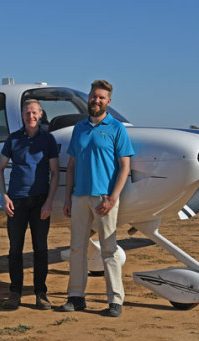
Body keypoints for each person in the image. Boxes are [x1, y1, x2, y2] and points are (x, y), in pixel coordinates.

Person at [60, 80, 134, 317]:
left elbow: (125, 167)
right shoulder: (79, 128)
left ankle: (115, 300)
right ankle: (76, 296)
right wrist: (69, 197)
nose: (96, 100)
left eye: (101, 98)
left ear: (108, 102)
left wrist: (113, 198)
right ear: (89, 98)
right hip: (80, 196)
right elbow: (71, 166)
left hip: (105, 199)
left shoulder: (117, 128)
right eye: (94, 96)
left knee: (109, 250)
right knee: (77, 249)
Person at [0, 99, 59, 310]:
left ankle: (41, 293)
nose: (30, 116)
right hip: (17, 201)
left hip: (40, 200)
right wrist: (4, 196)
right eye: (26, 113)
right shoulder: (13, 139)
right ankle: (15, 294)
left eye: (34, 113)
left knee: (41, 249)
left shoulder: (48, 140)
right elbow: (0, 168)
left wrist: (49, 201)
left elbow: (55, 172)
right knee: (15, 250)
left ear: (41, 115)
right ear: (22, 116)